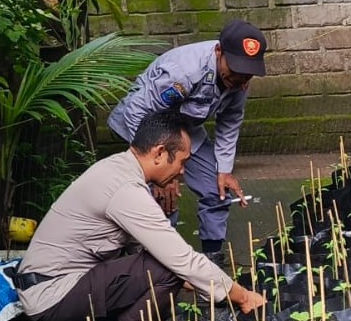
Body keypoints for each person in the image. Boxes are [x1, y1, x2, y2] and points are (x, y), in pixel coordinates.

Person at [12, 111, 265, 321]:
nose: (182, 171)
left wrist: (198, 283)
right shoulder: (125, 189)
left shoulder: (118, 170)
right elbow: (181, 260)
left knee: (168, 278)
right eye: (182, 162)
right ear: (159, 153)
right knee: (167, 269)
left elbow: (139, 252)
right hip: (52, 294)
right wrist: (243, 297)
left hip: (54, 287)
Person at [107, 19, 267, 263]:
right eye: (236, 69)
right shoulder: (184, 72)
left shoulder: (239, 81)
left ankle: (212, 260)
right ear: (218, 51)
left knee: (216, 188)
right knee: (161, 199)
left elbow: (230, 121)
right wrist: (159, 171)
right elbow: (138, 111)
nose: (241, 80)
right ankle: (149, 264)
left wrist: (224, 170)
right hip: (142, 126)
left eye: (248, 73)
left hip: (184, 127)